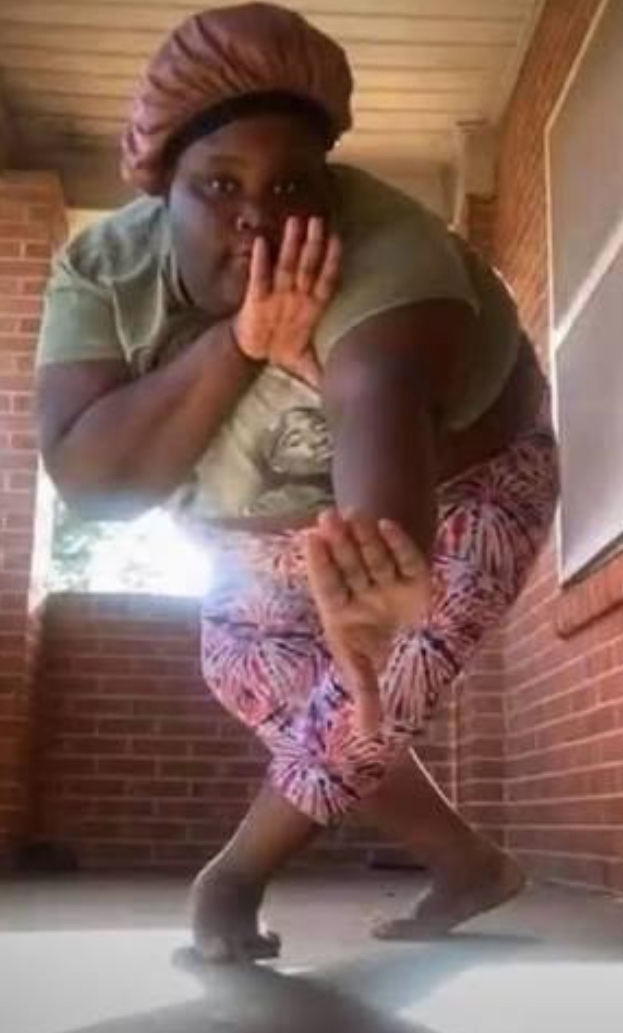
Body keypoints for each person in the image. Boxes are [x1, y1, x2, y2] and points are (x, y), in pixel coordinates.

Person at [35, 3, 558, 963]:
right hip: (259, 526)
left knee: (378, 668)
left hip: (467, 485)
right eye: (218, 183)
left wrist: (378, 576)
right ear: (160, 190)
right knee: (246, 667)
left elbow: (379, 408)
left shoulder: (393, 249)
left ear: (328, 182)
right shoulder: (103, 272)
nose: (259, 214)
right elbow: (94, 483)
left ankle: (234, 874)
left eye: (291, 183)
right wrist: (239, 344)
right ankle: (466, 862)